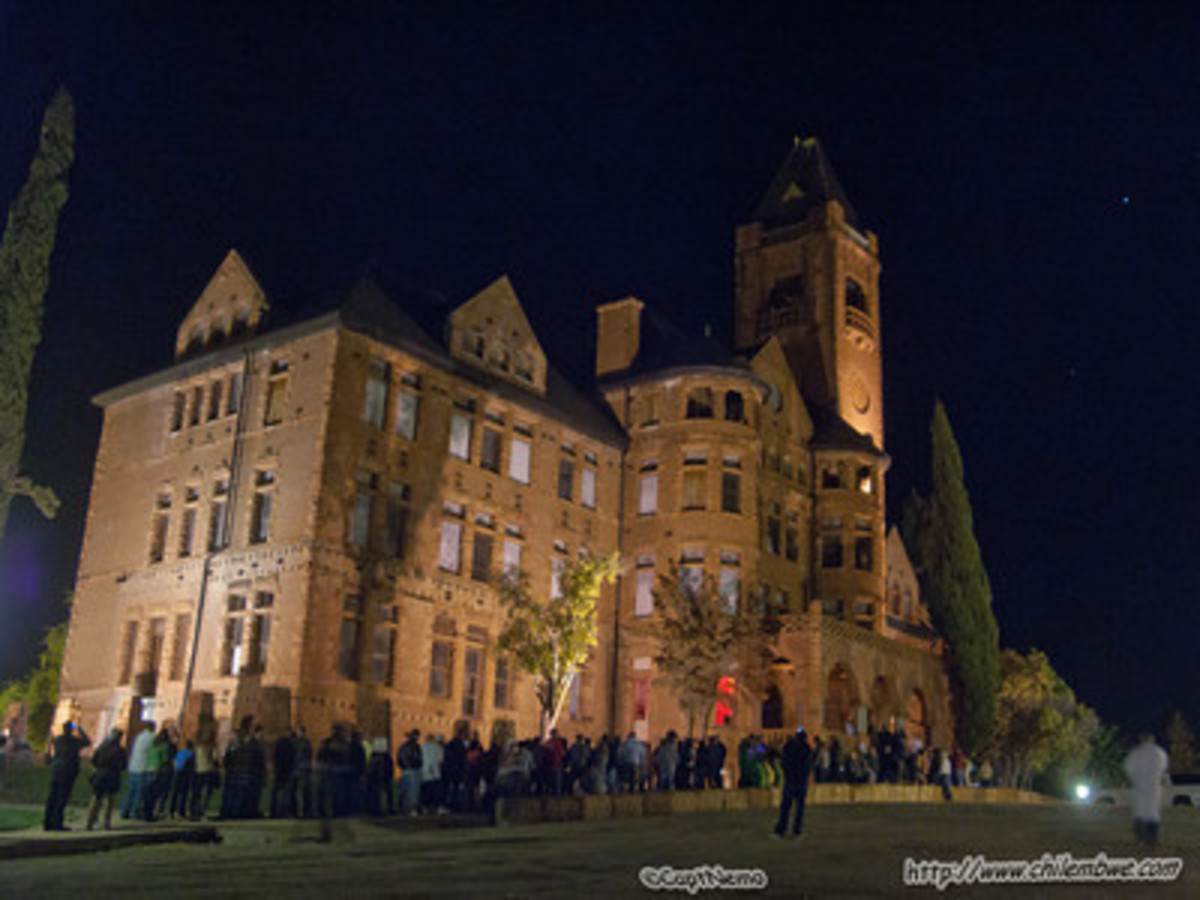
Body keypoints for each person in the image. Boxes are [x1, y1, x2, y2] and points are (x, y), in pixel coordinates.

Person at [44, 720, 91, 831]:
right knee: (62, 797)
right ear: (71, 730)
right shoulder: (74, 741)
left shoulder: (57, 740)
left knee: (52, 796)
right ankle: (57, 823)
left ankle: (47, 822)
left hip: (56, 769)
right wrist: (79, 729)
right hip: (68, 771)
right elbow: (88, 742)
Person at [1124, 732, 1170, 847]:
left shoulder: (1135, 753)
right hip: (1154, 786)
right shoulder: (1159, 753)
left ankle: (1140, 839)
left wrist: (1135, 779)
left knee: (1140, 812)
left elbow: (1129, 769)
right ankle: (1153, 839)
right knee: (1153, 813)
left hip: (1140, 786)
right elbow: (1164, 767)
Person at [773, 726, 814, 839]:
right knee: (799, 809)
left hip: (790, 780)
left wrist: (787, 774)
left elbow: (784, 762)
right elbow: (808, 765)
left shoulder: (789, 746)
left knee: (786, 807)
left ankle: (781, 830)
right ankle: (797, 830)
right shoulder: (807, 749)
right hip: (801, 781)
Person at [87, 728, 127, 831]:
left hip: (100, 774)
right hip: (112, 775)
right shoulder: (120, 750)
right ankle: (106, 822)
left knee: (96, 798)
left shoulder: (102, 747)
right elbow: (123, 766)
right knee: (109, 800)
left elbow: (94, 760)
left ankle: (90, 821)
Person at [121, 720, 156, 821]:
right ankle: (135, 811)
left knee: (131, 790)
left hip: (133, 766)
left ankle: (125, 810)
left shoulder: (139, 736)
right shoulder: (152, 738)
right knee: (139, 792)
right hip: (142, 767)